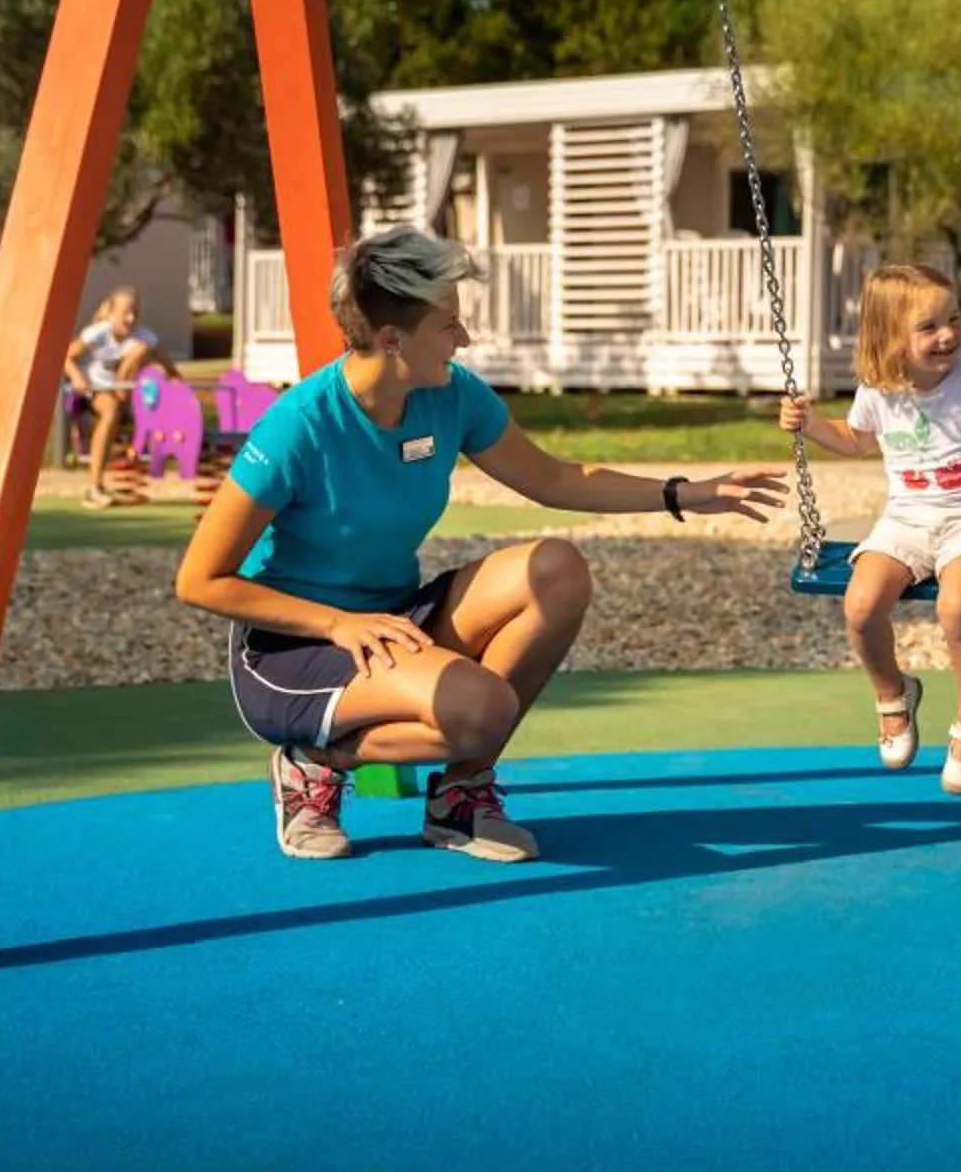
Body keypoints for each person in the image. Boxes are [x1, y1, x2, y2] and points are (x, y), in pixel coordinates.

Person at [176, 227, 787, 864]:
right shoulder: (298, 427)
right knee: (483, 708)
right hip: (293, 648)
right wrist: (337, 624)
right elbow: (199, 579)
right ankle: (312, 763)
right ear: (391, 341)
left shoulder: (450, 394)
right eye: (449, 325)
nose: (463, 339)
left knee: (557, 571)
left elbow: (553, 479)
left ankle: (459, 798)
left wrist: (683, 493)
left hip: (392, 619)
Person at [778, 263, 961, 797]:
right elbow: (855, 440)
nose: (948, 334)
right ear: (890, 337)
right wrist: (808, 425)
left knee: (954, 607)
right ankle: (894, 695)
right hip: (905, 519)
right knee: (859, 606)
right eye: (928, 327)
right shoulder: (878, 391)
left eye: (953, 319)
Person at [65, 286, 175, 509]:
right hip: (96, 389)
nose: (131, 318)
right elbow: (67, 357)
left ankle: (146, 459)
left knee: (143, 351)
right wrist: (77, 378)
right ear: (112, 313)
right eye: (125, 312)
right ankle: (93, 487)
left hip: (127, 390)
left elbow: (170, 369)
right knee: (111, 410)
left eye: (135, 312)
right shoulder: (98, 333)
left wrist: (175, 386)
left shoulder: (144, 337)